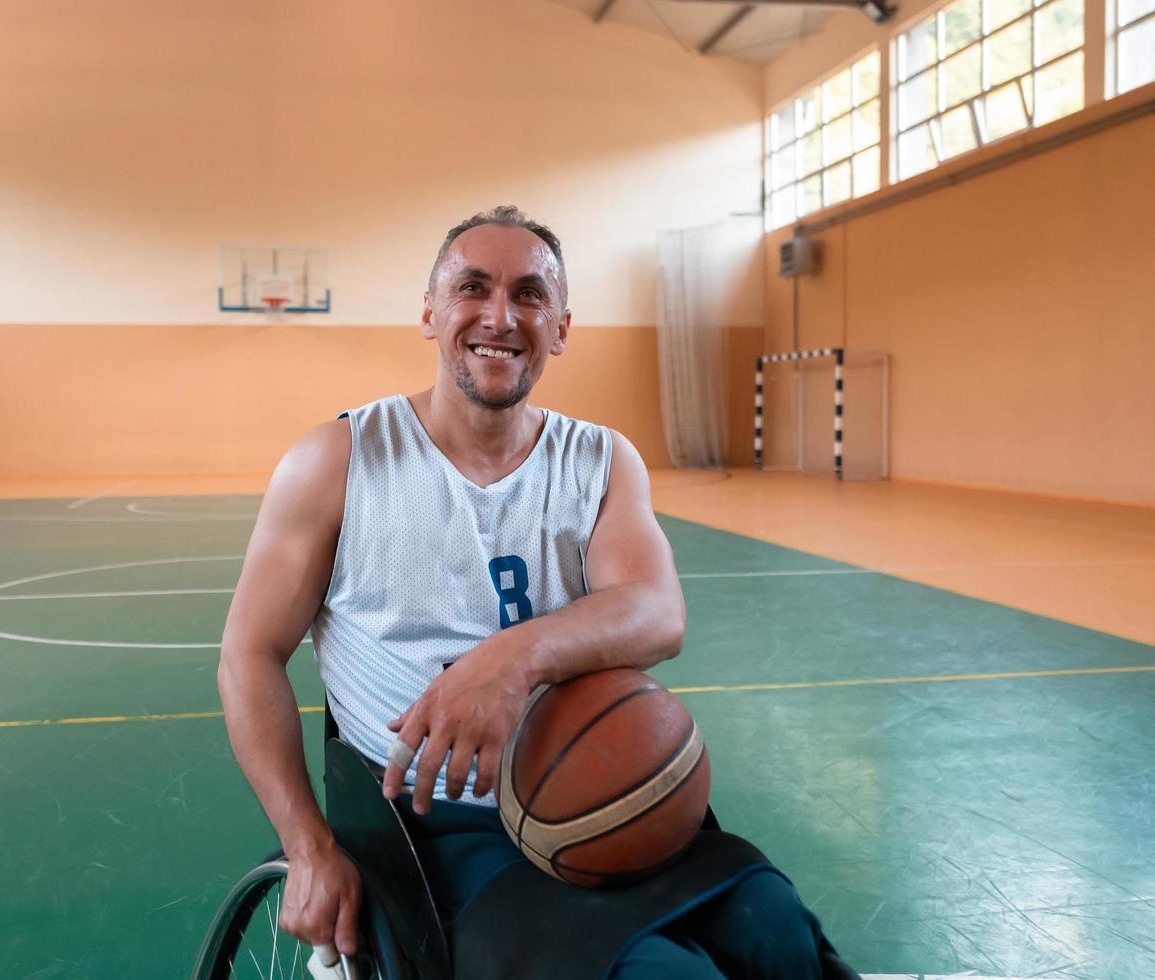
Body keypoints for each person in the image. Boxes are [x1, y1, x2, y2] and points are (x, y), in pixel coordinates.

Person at [217, 206, 847, 978]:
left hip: (604, 792)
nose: (500, 316)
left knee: (778, 934)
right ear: (429, 313)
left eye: (529, 294)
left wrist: (508, 662)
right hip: (432, 828)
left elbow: (657, 612)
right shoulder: (338, 460)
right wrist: (309, 845)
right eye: (472, 288)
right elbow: (249, 655)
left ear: (562, 326)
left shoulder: (601, 459)